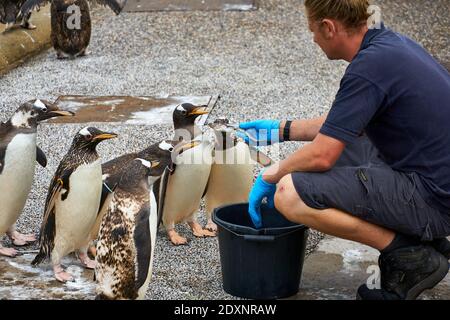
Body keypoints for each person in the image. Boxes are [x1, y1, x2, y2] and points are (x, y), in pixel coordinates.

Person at [238, 0, 450, 300]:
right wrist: (280, 130)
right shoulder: (388, 45)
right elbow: (345, 124)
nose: (313, 38)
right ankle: (419, 239)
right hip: (439, 182)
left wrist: (272, 173)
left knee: (290, 193)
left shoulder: (366, 69)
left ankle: (407, 254)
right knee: (350, 144)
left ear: (328, 27)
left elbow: (322, 155)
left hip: (436, 200)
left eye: (313, 30)